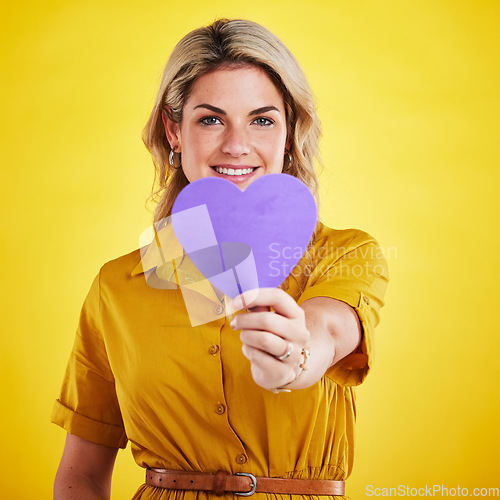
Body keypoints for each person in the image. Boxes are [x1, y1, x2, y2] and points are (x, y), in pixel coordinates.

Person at [52, 18, 388, 499]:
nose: (237, 145)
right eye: (210, 119)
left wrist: (295, 359)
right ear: (174, 130)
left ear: (289, 132)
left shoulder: (345, 254)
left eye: (262, 120)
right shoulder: (116, 286)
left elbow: (329, 331)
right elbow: (80, 474)